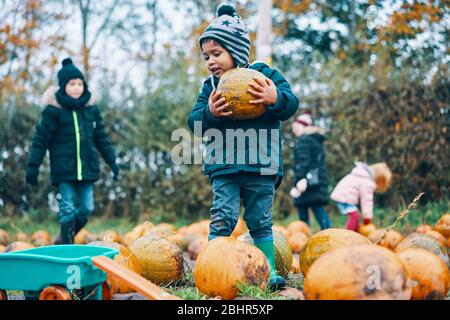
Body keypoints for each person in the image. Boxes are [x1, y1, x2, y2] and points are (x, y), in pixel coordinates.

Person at [187, 4, 298, 290]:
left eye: (217, 53)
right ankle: (213, 269)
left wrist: (275, 98)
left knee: (260, 219)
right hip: (223, 167)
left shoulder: (264, 75)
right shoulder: (210, 88)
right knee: (222, 217)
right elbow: (195, 122)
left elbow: (290, 104)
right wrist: (209, 113)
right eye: (206, 56)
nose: (211, 61)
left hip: (261, 165)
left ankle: (268, 270)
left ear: (236, 51)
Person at [26, 58, 119, 244]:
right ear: (63, 86)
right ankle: (67, 245)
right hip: (64, 169)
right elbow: (40, 140)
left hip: (87, 168)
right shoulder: (54, 111)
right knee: (67, 210)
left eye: (79, 83)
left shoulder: (91, 110)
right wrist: (33, 166)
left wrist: (112, 161)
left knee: (87, 208)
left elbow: (101, 138)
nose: (77, 88)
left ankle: (62, 239)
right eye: (72, 84)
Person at [289, 113, 331, 230]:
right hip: (315, 181)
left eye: (295, 127)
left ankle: (305, 236)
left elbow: (303, 162)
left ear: (303, 126)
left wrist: (300, 179)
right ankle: (329, 232)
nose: (294, 130)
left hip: (306, 182)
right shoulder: (315, 140)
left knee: (304, 212)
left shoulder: (304, 140)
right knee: (317, 208)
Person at [330, 162, 392, 231]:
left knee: (355, 216)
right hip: (343, 197)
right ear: (379, 179)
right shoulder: (367, 181)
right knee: (354, 216)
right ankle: (347, 235)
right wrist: (367, 218)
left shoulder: (361, 174)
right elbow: (367, 201)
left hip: (342, 195)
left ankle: (356, 234)